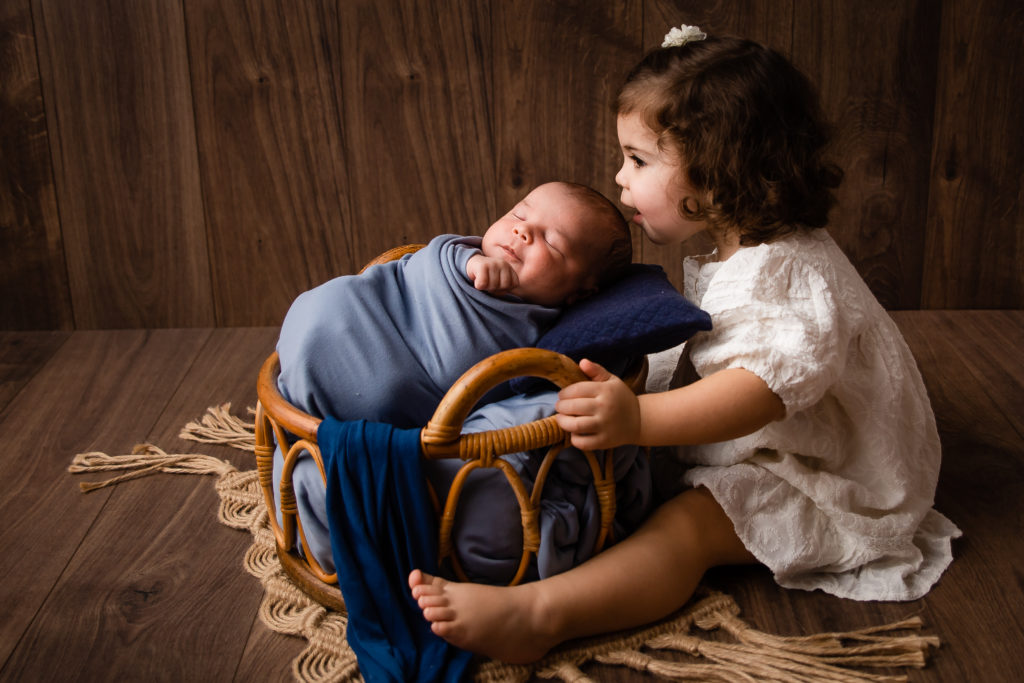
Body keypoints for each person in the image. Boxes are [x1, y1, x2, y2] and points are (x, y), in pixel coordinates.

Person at [408, 25, 961, 664]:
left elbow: (757, 393)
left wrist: (637, 418)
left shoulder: (787, 273)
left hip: (828, 476)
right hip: (792, 436)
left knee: (687, 528)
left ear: (718, 175)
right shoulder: (751, 248)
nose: (619, 178)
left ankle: (542, 613)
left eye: (638, 161)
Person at [276, 180, 632, 429]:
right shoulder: (464, 258)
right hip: (370, 316)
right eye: (519, 216)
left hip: (408, 385)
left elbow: (512, 388)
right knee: (331, 306)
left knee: (384, 393)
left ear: (581, 293)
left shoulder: (551, 332)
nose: (522, 233)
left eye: (552, 243)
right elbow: (432, 257)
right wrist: (468, 264)